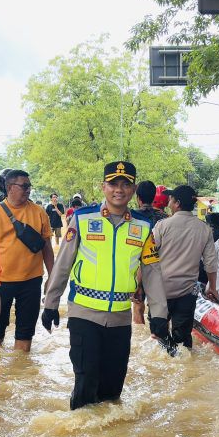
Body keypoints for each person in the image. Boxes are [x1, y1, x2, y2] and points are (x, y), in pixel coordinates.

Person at [41, 160, 171, 409]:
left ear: (133, 190)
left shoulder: (144, 227)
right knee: (86, 382)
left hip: (120, 318)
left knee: (113, 390)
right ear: (103, 187)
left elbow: (152, 272)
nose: (119, 189)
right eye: (113, 184)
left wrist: (159, 314)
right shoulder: (82, 219)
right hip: (84, 314)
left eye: (125, 184)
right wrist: (50, 303)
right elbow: (63, 264)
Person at [0, 170, 54, 352]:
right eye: (24, 186)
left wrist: (52, 277)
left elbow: (47, 247)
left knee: (25, 337)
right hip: (0, 283)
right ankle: (1, 377)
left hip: (31, 282)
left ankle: (22, 371)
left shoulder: (39, 212)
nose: (28, 190)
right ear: (10, 188)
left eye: (29, 186)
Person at [152, 185, 219, 349]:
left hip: (161, 291)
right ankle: (182, 360)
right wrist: (213, 287)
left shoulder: (162, 226)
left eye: (171, 199)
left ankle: (169, 353)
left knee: (158, 333)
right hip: (187, 292)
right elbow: (210, 262)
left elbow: (148, 257)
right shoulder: (204, 229)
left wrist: (139, 285)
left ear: (177, 203)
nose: (168, 202)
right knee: (182, 339)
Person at [132, 180, 170, 324]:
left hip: (138, 268)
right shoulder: (165, 218)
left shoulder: (132, 217)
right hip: (160, 269)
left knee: (137, 305)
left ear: (138, 198)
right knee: (158, 309)